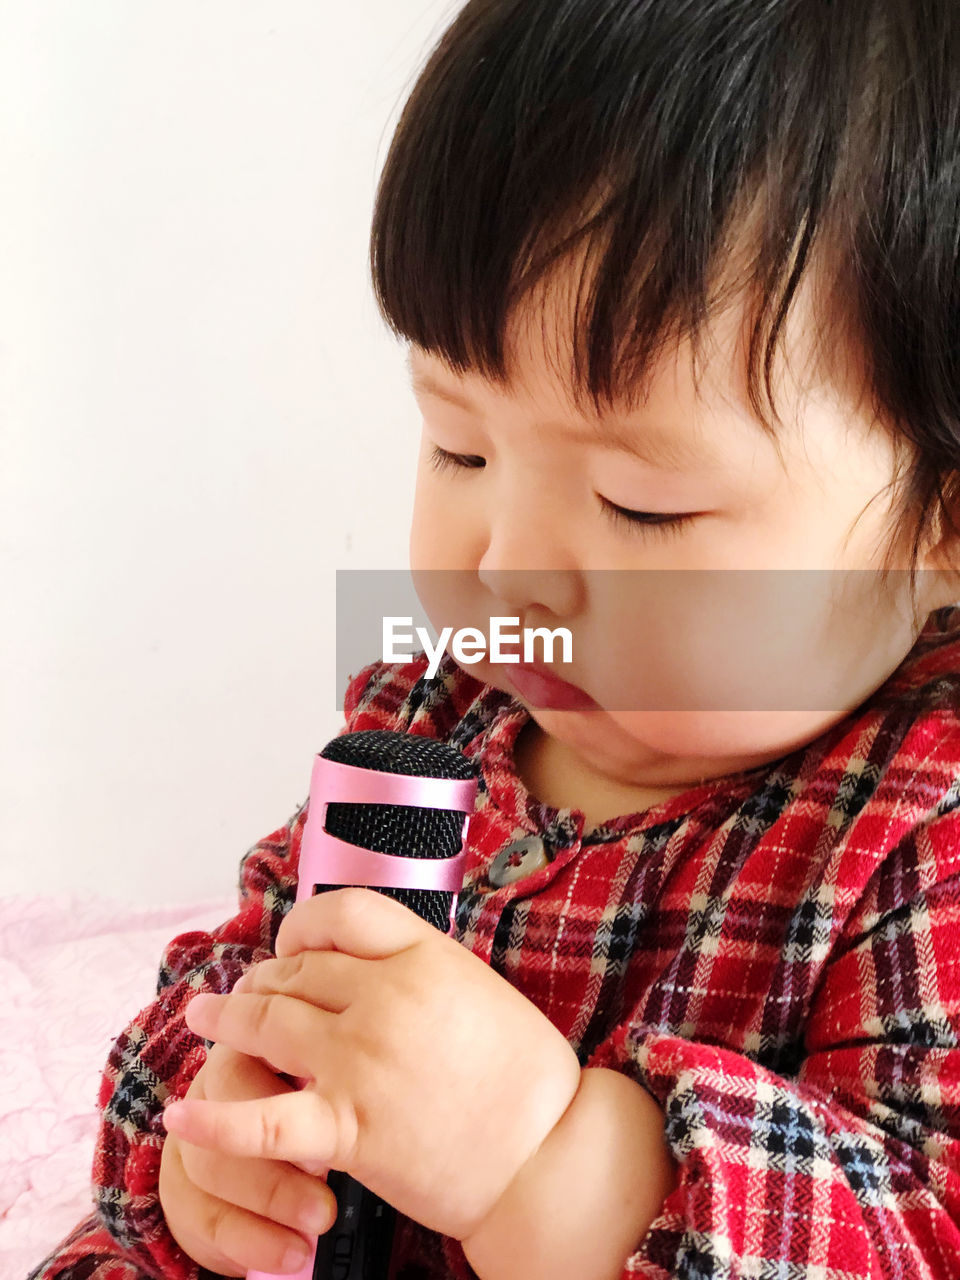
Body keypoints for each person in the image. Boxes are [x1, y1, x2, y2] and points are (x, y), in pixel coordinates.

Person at [29, 0, 960, 1277]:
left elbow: (922, 1225)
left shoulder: (920, 838)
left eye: (644, 503)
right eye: (460, 444)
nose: (503, 560)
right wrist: (210, 1148)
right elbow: (228, 985)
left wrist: (551, 1163)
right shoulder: (428, 725)